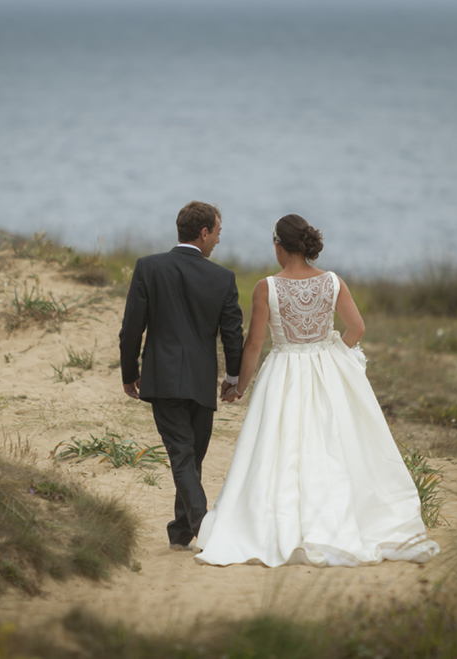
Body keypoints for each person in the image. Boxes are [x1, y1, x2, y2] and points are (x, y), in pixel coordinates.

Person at [194, 214, 439, 567]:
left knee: (282, 447)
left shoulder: (267, 287)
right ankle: (339, 518)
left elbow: (254, 346)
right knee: (331, 443)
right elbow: (357, 327)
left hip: (283, 374)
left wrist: (239, 386)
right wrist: (336, 355)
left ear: (279, 246)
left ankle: (282, 522)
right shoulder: (334, 282)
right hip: (328, 372)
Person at [119, 201, 244, 551]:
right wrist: (233, 378)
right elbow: (233, 335)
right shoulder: (222, 278)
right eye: (217, 232)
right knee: (188, 457)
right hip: (202, 382)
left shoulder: (149, 268)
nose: (218, 240)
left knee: (186, 458)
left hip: (163, 378)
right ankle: (197, 529)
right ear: (203, 233)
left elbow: (131, 329)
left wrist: (130, 372)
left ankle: (185, 530)